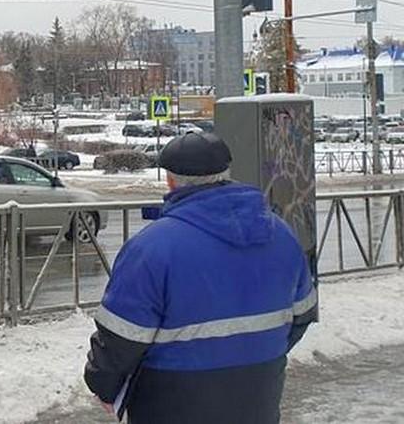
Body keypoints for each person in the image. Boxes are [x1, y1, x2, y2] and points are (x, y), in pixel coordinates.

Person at [83, 132, 317, 424]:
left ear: (170, 181)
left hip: (170, 400)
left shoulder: (152, 247)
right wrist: (260, 352)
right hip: (258, 397)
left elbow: (120, 340)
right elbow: (303, 314)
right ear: (226, 174)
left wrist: (102, 385)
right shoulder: (282, 235)